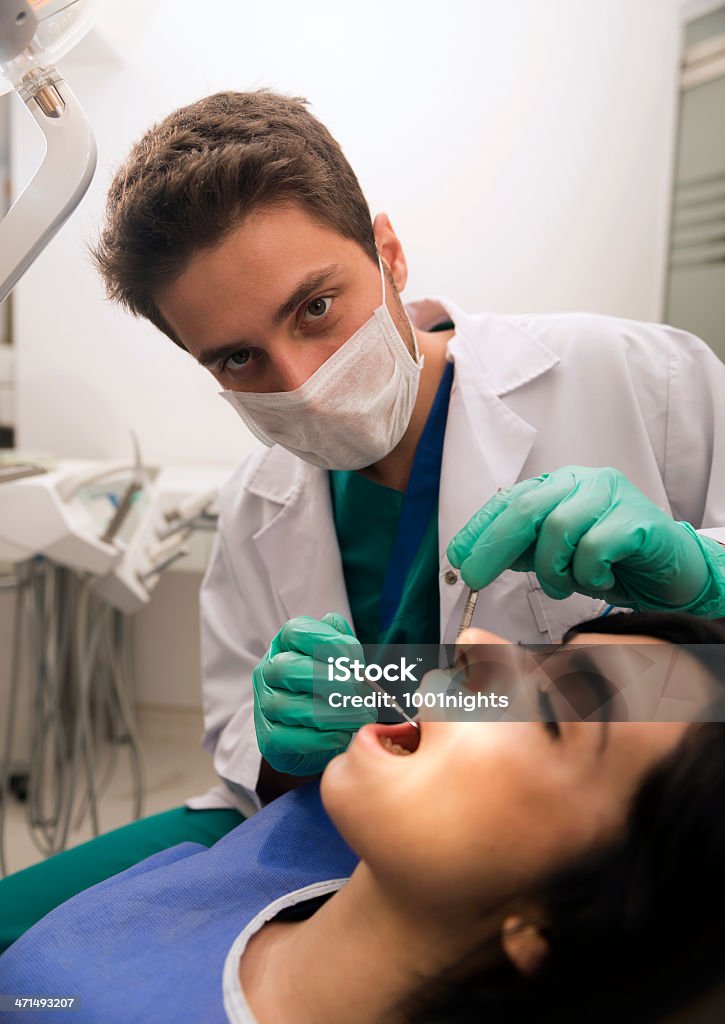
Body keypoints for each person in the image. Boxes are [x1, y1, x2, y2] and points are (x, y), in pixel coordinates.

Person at [2, 88, 725, 948]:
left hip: (589, 851)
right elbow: (241, 743)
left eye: (315, 307)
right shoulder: (253, 502)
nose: (299, 377)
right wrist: (283, 745)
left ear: (388, 253)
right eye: (238, 357)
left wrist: (705, 579)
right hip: (324, 835)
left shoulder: (637, 377)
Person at [0, 611, 724, 1024]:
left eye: (552, 712)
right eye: (543, 655)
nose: (473, 643)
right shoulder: (317, 834)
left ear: (554, 926)